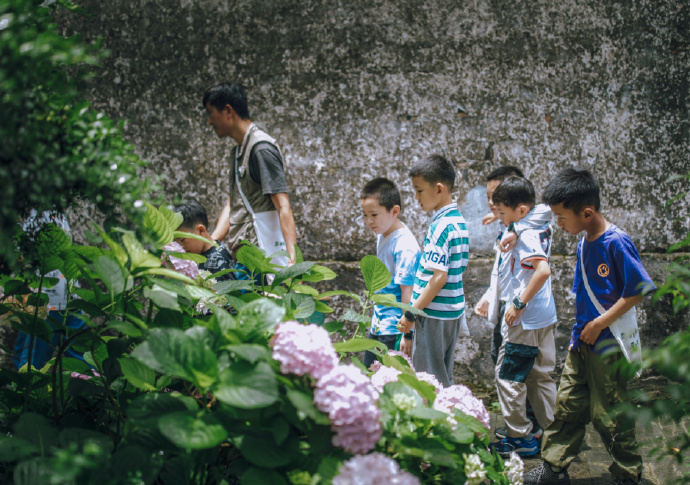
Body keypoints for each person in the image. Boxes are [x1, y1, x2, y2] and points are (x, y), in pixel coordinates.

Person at [524, 168, 655, 485]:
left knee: (609, 413)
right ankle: (555, 468)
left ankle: (627, 473)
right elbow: (584, 295)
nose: (559, 223)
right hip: (582, 342)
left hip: (609, 345)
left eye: (561, 216)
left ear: (586, 212)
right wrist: (578, 335)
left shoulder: (616, 243)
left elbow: (638, 289)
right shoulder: (584, 243)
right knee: (567, 404)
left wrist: (599, 324)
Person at [474, 166, 551, 443]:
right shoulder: (519, 225)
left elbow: (542, 270)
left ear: (519, 208)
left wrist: (517, 303)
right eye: (490, 198)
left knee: (511, 375)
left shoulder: (524, 228)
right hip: (525, 311)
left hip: (521, 314)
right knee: (530, 375)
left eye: (498, 201)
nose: (493, 205)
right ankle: (546, 431)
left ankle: (524, 433)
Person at [202, 82, 297, 272]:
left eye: (211, 113)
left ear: (228, 110)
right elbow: (234, 203)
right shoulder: (238, 152)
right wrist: (212, 243)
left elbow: (282, 204)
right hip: (244, 257)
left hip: (262, 258)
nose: (209, 121)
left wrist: (293, 261)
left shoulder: (261, 149)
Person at [398, 154, 469, 388]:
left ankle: (438, 422)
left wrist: (411, 313)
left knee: (428, 381)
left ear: (439, 189)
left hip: (433, 314)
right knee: (442, 373)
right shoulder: (458, 222)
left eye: (419, 190)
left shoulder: (440, 227)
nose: (416, 198)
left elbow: (438, 278)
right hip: (451, 312)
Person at [360, 178, 421, 368]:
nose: (369, 221)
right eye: (365, 215)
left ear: (394, 211)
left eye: (374, 215)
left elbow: (407, 293)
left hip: (394, 329)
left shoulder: (405, 247)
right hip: (378, 323)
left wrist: (407, 334)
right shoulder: (383, 233)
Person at [13, 210, 84, 369]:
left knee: (31, 361)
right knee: (79, 355)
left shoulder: (39, 215)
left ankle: (27, 392)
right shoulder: (54, 210)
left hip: (46, 299)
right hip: (67, 294)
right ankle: (99, 390)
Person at [174, 202, 237, 281]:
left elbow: (231, 291)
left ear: (201, 230)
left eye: (182, 240)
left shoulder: (218, 258)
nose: (180, 246)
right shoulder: (196, 254)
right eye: (176, 242)